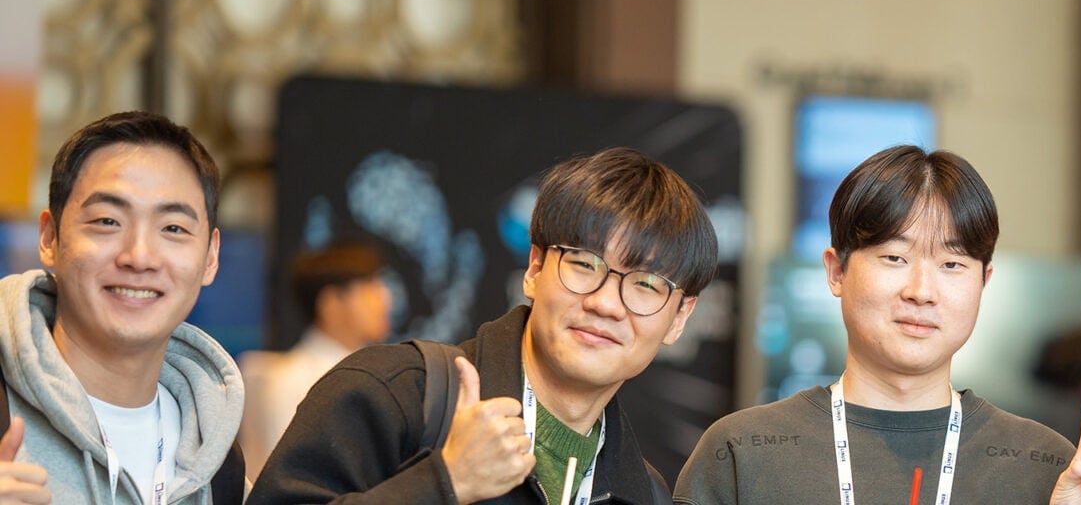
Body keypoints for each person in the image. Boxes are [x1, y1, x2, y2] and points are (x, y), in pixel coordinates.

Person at [248, 147, 715, 505]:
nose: (606, 303)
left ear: (679, 318)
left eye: (647, 285)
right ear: (534, 269)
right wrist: (445, 482)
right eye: (584, 264)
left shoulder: (645, 492)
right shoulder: (394, 395)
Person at [674, 145, 1075, 504]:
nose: (921, 291)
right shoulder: (740, 453)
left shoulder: (1049, 467)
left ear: (983, 282)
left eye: (952, 264)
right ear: (836, 272)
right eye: (894, 258)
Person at [0, 111, 246, 504]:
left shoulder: (218, 465)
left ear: (211, 257)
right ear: (49, 238)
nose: (140, 256)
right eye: (107, 221)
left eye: (173, 229)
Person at [238, 241, 394, 481]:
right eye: (369, 287)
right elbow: (292, 483)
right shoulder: (295, 382)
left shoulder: (372, 372)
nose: (385, 298)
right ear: (331, 303)